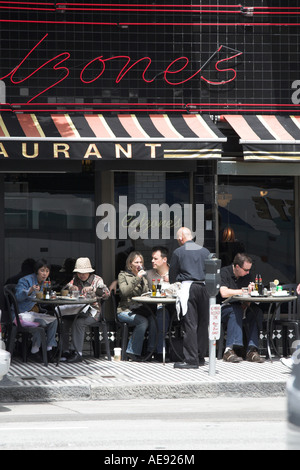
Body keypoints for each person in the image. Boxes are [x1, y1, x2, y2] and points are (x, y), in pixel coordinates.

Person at [169, 227, 210, 369]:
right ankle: (200, 356)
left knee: (191, 324)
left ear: (181, 238)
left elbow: (172, 276)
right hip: (205, 288)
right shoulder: (205, 251)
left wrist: (178, 279)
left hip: (188, 288)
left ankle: (191, 360)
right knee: (204, 323)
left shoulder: (178, 252)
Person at [58, 257, 109, 363]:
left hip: (93, 312)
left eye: (84, 272)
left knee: (79, 322)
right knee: (64, 322)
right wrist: (70, 288)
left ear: (89, 271)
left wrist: (93, 289)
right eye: (79, 272)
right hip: (76, 310)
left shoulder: (97, 280)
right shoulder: (75, 279)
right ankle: (66, 351)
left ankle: (77, 353)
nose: (82, 275)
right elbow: (63, 289)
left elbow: (106, 294)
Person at [219, 253, 264, 363]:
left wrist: (251, 294)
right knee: (235, 310)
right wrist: (244, 291)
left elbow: (248, 297)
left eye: (249, 270)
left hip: (242, 307)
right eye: (246, 270)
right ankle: (229, 350)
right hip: (224, 308)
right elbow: (223, 293)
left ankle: (252, 350)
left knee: (256, 312)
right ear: (237, 267)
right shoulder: (224, 272)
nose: (248, 272)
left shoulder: (247, 276)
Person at [14, 259, 58, 362]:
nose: (45, 274)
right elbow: (18, 297)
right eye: (42, 270)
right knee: (41, 322)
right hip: (22, 314)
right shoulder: (25, 280)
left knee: (54, 320)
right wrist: (30, 290)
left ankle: (49, 350)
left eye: (47, 271)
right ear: (36, 271)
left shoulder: (45, 283)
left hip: (35, 313)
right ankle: (34, 351)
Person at [117, 251, 150, 361]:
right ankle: (132, 351)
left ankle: (151, 351)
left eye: (141, 262)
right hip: (124, 311)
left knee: (155, 320)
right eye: (136, 262)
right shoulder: (123, 275)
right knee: (143, 322)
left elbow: (145, 294)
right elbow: (124, 292)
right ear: (130, 264)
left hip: (139, 309)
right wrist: (137, 278)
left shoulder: (143, 277)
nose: (139, 264)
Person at [146, 246, 171, 362]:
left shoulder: (174, 272)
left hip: (173, 308)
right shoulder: (150, 274)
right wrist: (115, 282)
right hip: (154, 307)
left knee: (161, 314)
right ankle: (155, 351)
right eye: (152, 258)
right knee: (155, 317)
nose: (152, 261)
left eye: (155, 259)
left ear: (164, 259)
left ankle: (156, 351)